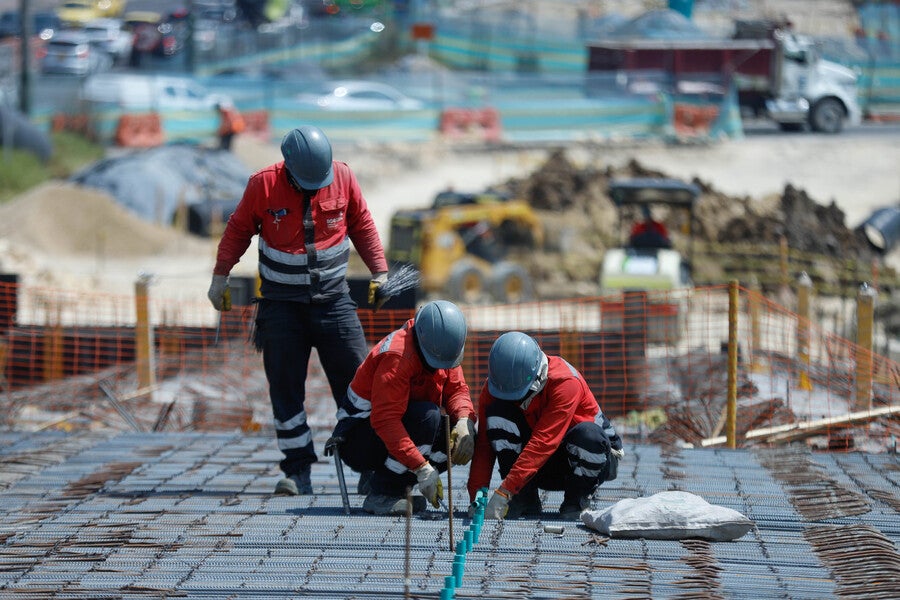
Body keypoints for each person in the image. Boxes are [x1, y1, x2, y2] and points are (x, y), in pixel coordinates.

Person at [207, 125, 389, 496]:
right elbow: (238, 230)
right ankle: (298, 470)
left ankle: (369, 468)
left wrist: (380, 271)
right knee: (285, 390)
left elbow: (362, 223)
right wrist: (220, 278)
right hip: (280, 306)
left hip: (334, 302)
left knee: (359, 386)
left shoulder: (342, 177)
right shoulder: (263, 185)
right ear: (288, 167)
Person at [325, 300, 477, 516]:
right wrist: (422, 468)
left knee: (460, 439)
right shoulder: (397, 357)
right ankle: (384, 493)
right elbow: (385, 421)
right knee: (428, 417)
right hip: (358, 439)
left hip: (390, 430)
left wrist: (464, 420)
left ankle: (384, 481)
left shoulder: (441, 346)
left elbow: (457, 390)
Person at [467, 331, 624, 520]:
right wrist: (477, 497)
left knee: (588, 435)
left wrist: (504, 492)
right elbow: (485, 447)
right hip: (538, 465)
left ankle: (576, 500)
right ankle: (525, 498)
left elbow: (544, 443)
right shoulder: (497, 387)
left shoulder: (565, 382)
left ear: (536, 377)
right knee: (498, 417)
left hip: (584, 461)